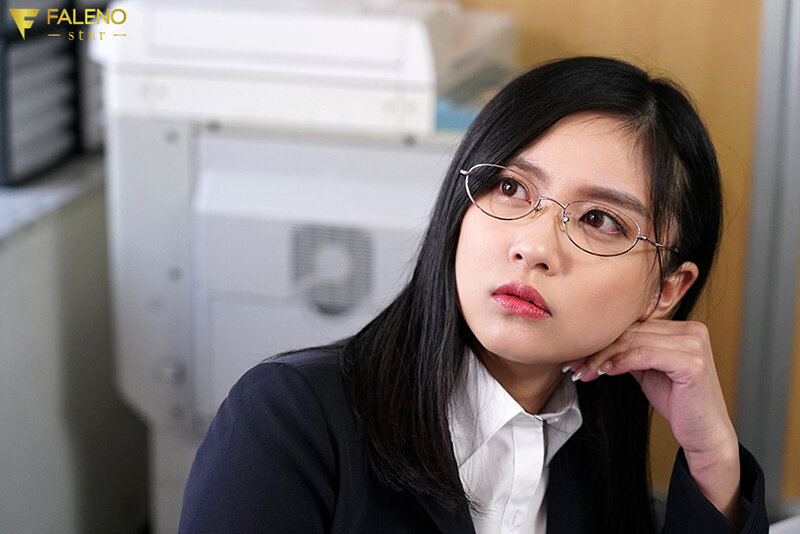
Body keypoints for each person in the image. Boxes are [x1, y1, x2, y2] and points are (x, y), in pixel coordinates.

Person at [178, 56, 768, 533]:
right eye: (510, 187)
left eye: (600, 220)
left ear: (665, 291)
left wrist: (712, 458)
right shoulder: (289, 421)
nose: (533, 247)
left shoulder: (595, 461)